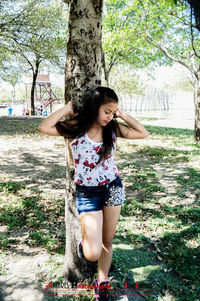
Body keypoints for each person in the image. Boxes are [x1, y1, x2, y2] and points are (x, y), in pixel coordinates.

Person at [38, 87, 149, 300]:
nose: (110, 116)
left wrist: (122, 115)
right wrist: (66, 109)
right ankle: (85, 244)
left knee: (108, 240)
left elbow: (142, 133)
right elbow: (44, 127)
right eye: (107, 111)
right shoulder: (76, 127)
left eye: (113, 112)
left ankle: (102, 281)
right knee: (92, 252)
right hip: (88, 192)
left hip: (113, 188)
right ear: (95, 106)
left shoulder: (113, 128)